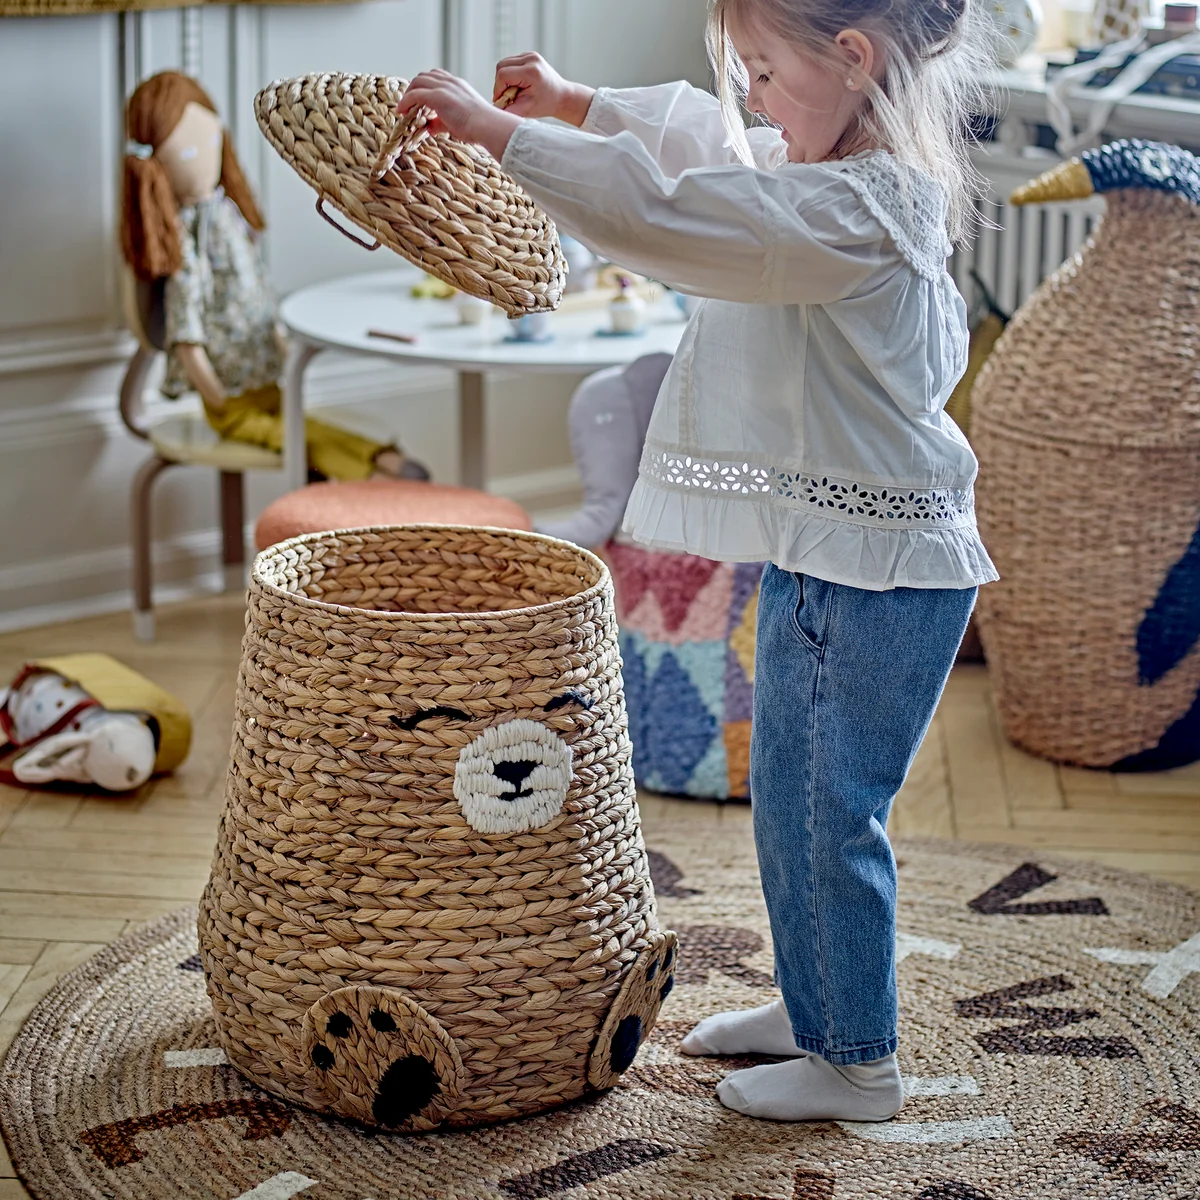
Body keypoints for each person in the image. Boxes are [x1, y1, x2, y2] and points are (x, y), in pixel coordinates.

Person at [397, 0, 998, 1122]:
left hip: (883, 574)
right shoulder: (819, 177)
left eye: (764, 71)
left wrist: (506, 136)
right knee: (790, 801)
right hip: (840, 555)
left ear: (853, 59)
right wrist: (579, 104)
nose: (752, 97)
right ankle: (820, 1010)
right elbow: (708, 151)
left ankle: (857, 1064)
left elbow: (674, 211)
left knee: (832, 814)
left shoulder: (853, 210)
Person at [121, 72, 426, 482]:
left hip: (262, 375)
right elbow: (185, 317)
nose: (208, 155)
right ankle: (376, 465)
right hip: (229, 396)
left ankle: (376, 461)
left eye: (211, 140)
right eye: (191, 150)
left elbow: (254, 287)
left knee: (299, 425)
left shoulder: (226, 215)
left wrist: (277, 341)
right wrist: (211, 389)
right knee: (292, 437)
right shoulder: (186, 240)